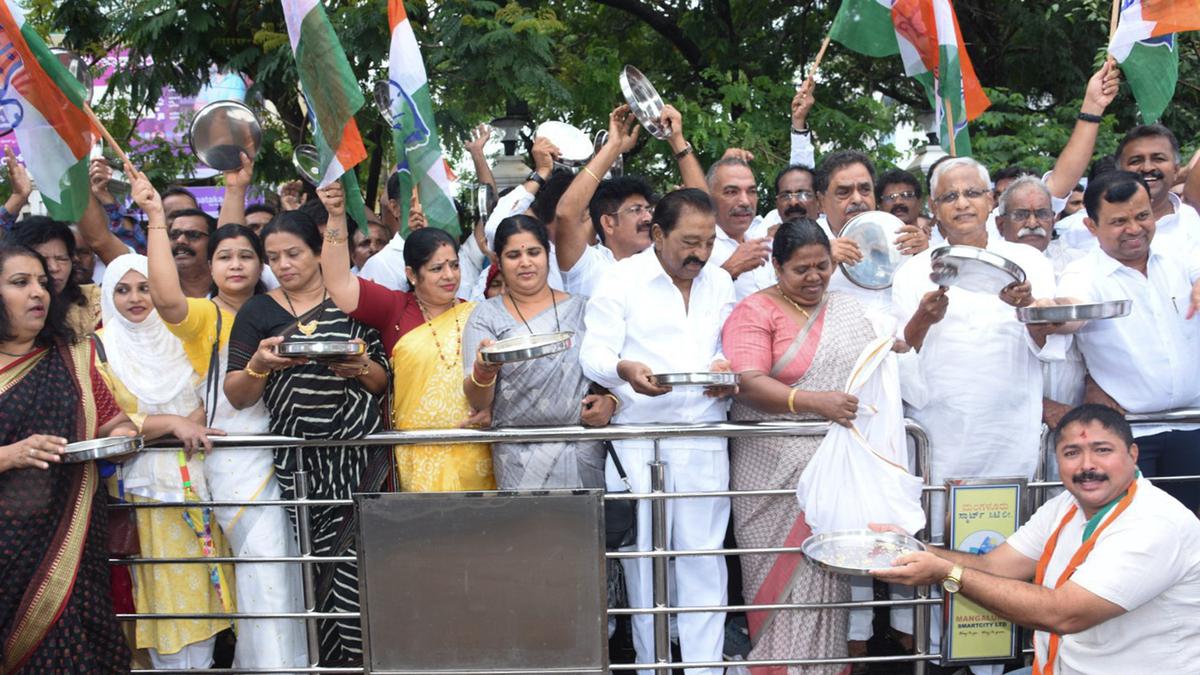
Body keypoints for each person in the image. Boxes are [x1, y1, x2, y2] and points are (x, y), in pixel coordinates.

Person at [892, 157, 1067, 669]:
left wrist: (1027, 309)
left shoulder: (1028, 262)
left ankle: (1003, 660)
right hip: (944, 437)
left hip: (1010, 428)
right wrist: (922, 319)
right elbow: (901, 354)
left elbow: (1045, 344)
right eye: (950, 197)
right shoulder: (912, 271)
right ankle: (944, 657)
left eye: (973, 193)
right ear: (934, 210)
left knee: (1012, 541)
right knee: (943, 545)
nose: (963, 203)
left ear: (993, 200)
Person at [873, 404, 1200, 675]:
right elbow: (995, 566)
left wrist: (947, 573)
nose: (1088, 465)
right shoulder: (1065, 506)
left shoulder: (1154, 524)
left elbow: (1064, 614)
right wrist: (914, 548)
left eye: (1102, 451)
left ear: (1133, 453)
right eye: (1072, 452)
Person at [132, 168, 308, 669]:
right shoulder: (206, 317)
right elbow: (166, 299)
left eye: (246, 256)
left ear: (262, 265)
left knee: (285, 575)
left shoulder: (279, 309)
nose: (235, 264)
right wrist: (153, 218)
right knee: (265, 572)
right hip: (239, 461)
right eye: (224, 257)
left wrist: (235, 189)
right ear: (209, 267)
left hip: (291, 456)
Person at [580, 188, 736, 674]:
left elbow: (729, 345)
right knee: (645, 567)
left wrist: (725, 369)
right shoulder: (620, 280)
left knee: (704, 562)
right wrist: (623, 370)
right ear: (658, 234)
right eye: (691, 241)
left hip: (705, 437)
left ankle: (706, 669)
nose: (701, 254)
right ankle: (653, 669)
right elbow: (594, 354)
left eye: (709, 242)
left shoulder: (719, 283)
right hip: (638, 442)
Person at [721, 218, 888, 672]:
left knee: (826, 581)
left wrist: (926, 319)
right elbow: (747, 383)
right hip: (771, 473)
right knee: (778, 585)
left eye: (823, 266)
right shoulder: (755, 311)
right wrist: (815, 402)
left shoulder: (848, 309)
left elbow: (887, 357)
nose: (815, 277)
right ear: (776, 267)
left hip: (831, 469)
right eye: (802, 269)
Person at [224, 208, 389, 665]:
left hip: (357, 458)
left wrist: (359, 367)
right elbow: (237, 394)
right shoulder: (258, 311)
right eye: (273, 258)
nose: (284, 265)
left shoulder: (351, 303)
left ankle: (366, 662)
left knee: (357, 573)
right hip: (301, 468)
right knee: (316, 572)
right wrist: (260, 365)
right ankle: (332, 664)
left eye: (293, 253)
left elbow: (381, 382)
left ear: (318, 251)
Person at [94, 253, 235, 669]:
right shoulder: (98, 348)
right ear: (108, 296)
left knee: (207, 588)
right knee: (160, 588)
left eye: (145, 287)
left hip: (204, 475)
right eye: (122, 290)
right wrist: (171, 422)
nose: (136, 299)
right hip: (143, 489)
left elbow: (216, 389)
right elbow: (104, 419)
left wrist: (196, 417)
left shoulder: (185, 335)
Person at [0, 243, 136, 672]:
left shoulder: (72, 358)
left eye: (42, 282)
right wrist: (9, 455)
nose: (37, 292)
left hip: (71, 544)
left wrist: (123, 436)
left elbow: (112, 420)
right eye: (20, 283)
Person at [317, 182, 495, 492]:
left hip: (477, 448)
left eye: (454, 265)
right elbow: (337, 283)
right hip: (417, 451)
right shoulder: (396, 309)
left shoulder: (477, 314)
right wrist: (335, 218)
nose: (450, 275)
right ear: (412, 275)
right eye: (437, 268)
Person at [1058, 171, 1200, 513]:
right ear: (1092, 227)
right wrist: (1050, 314)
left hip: (1193, 426)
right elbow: (1069, 311)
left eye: (1142, 216)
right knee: (1135, 534)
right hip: (1132, 435)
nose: (1134, 229)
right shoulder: (1081, 273)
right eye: (1119, 221)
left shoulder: (1180, 255)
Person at [463, 216, 614, 488]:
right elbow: (478, 401)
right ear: (498, 261)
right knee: (525, 531)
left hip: (580, 449)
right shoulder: (485, 315)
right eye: (513, 255)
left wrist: (611, 401)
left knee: (584, 530)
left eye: (534, 252)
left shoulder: (582, 309)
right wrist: (483, 371)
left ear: (548, 254)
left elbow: (608, 374)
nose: (525, 262)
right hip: (516, 457)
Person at [554, 103, 704, 297]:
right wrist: (613, 147)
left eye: (647, 209)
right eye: (635, 210)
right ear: (608, 223)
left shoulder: (662, 259)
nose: (648, 218)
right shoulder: (588, 266)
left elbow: (703, 211)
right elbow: (566, 213)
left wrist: (676, 140)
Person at [995, 176, 1087, 430]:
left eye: (1042, 214)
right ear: (1001, 224)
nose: (1033, 223)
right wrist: (1043, 404)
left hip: (1073, 411)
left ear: (1054, 219)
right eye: (1021, 215)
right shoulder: (985, 271)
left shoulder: (1078, 263)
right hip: (1007, 417)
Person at [9, 217, 102, 335]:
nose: (54, 268)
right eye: (42, 259)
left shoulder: (93, 301)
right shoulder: (7, 310)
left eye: (62, 259)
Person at [876, 168, 928, 233]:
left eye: (906, 195)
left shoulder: (937, 241)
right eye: (890, 197)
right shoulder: (871, 242)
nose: (898, 202)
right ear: (880, 206)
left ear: (919, 202)